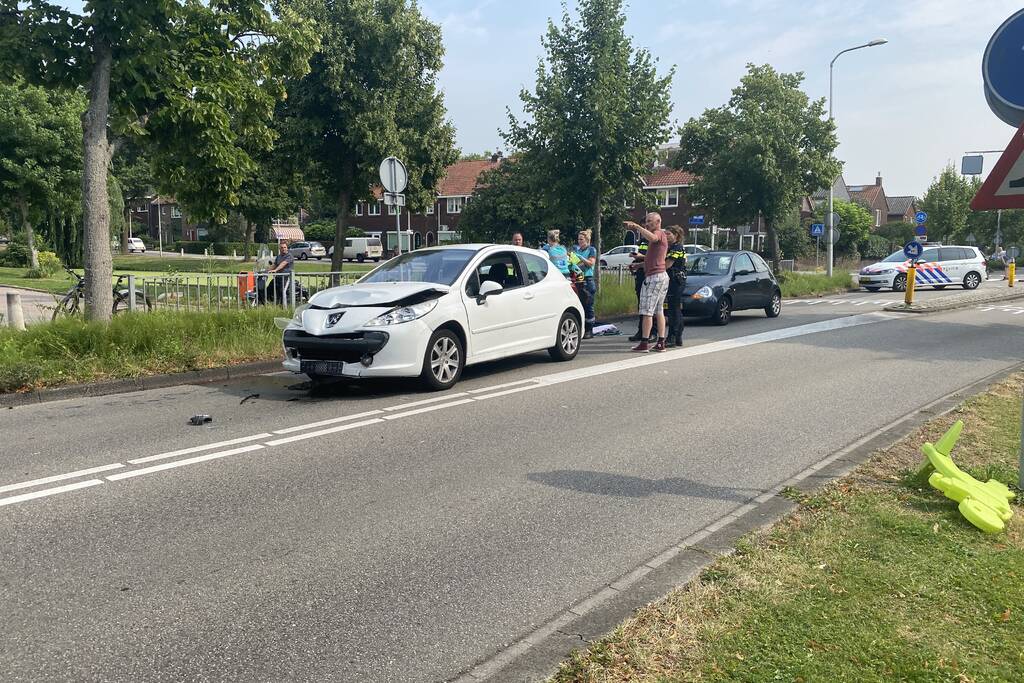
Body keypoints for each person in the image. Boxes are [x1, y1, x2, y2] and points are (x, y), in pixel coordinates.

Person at [624, 213, 669, 352]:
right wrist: (639, 265)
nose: (647, 224)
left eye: (650, 221)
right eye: (646, 222)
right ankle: (661, 341)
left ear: (658, 222)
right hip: (660, 276)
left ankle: (644, 342)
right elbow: (653, 259)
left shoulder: (658, 234)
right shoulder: (656, 238)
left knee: (647, 311)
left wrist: (636, 226)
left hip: (655, 278)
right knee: (658, 310)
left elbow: (653, 237)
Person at [571, 230, 597, 339]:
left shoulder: (591, 250)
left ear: (587, 240)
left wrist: (581, 258)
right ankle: (581, 328)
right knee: (579, 305)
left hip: (587, 279)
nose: (579, 241)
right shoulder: (577, 250)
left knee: (588, 305)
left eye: (581, 239)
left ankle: (589, 329)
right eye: (578, 239)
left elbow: (591, 263)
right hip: (577, 279)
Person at [663, 226, 687, 347]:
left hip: (675, 280)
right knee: (673, 308)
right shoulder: (670, 247)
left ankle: (673, 336)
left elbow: (667, 264)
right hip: (671, 279)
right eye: (665, 234)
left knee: (674, 310)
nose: (666, 236)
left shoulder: (677, 247)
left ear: (676, 235)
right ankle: (677, 338)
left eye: (668, 234)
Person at [627, 240, 654, 343]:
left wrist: (640, 257)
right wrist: (634, 262)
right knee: (641, 305)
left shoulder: (656, 240)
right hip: (640, 275)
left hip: (650, 275)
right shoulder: (642, 241)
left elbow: (656, 258)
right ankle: (641, 331)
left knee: (651, 306)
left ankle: (652, 332)